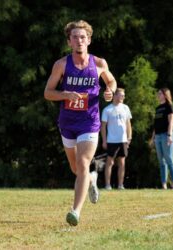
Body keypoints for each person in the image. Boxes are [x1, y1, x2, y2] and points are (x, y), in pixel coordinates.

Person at [44, 20, 117, 226]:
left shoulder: (99, 63)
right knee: (77, 168)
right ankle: (92, 180)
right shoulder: (61, 65)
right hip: (67, 122)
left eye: (82, 37)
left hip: (90, 121)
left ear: (89, 40)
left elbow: (111, 81)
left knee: (83, 163)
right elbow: (48, 93)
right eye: (75, 37)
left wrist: (109, 90)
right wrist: (64, 94)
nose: (79, 41)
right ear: (69, 41)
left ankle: (75, 211)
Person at [101, 88, 132, 190]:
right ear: (115, 96)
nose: (123, 97)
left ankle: (120, 185)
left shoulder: (125, 108)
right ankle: (107, 185)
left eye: (123, 95)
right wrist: (104, 140)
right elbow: (103, 127)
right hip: (111, 140)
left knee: (122, 162)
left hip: (123, 140)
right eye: (121, 95)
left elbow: (128, 124)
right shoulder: (107, 110)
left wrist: (129, 137)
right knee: (110, 162)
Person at [149, 88, 173, 189]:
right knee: (161, 162)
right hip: (158, 137)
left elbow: (171, 122)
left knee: (169, 159)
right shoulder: (157, 108)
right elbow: (156, 125)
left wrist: (169, 135)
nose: (158, 95)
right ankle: (164, 184)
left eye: (160, 93)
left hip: (166, 135)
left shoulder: (169, 106)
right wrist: (152, 138)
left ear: (165, 95)